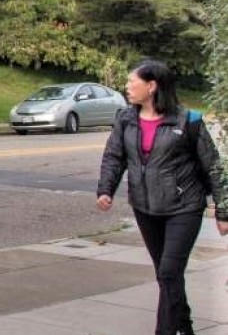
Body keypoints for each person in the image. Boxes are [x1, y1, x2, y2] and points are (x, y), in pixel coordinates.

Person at [96, 59, 228, 335]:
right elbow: (114, 157)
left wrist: (223, 209)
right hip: (145, 207)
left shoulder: (187, 121)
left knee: (169, 272)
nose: (127, 86)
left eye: (133, 81)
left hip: (184, 207)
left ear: (152, 86)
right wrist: (106, 189)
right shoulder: (125, 119)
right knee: (167, 275)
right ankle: (185, 326)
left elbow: (213, 166)